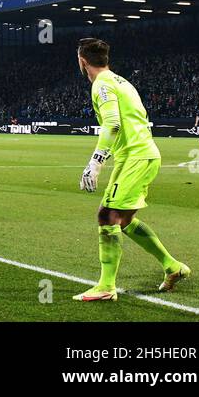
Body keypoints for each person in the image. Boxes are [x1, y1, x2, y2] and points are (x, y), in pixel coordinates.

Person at [73, 38, 189, 302]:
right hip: (139, 155)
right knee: (122, 221)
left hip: (136, 157)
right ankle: (173, 267)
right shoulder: (121, 81)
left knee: (107, 216)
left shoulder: (101, 84)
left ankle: (105, 287)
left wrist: (95, 162)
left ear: (82, 61)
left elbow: (112, 124)